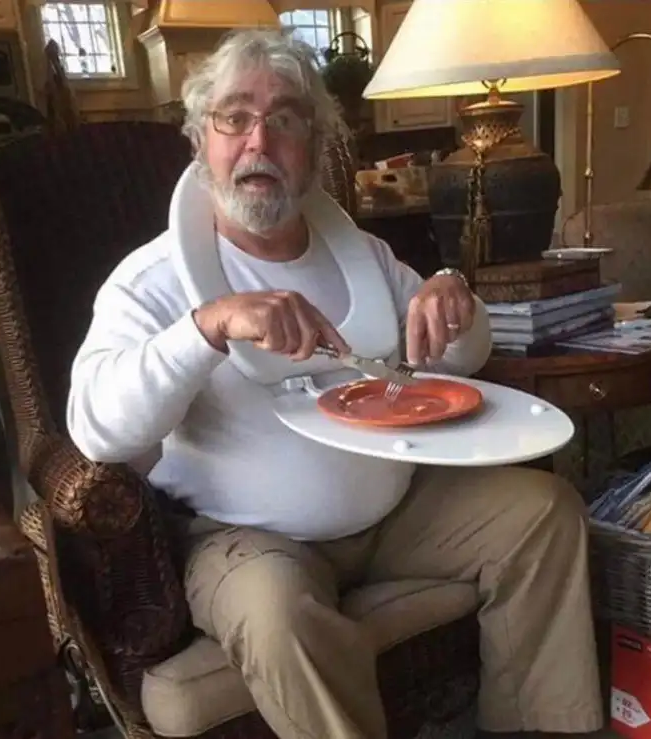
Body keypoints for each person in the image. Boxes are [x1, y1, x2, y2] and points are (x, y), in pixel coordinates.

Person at [67, 28, 602, 739]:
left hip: (393, 510)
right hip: (246, 534)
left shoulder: (362, 254)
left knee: (545, 512)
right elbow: (95, 429)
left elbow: (459, 359)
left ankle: (536, 728)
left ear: (315, 147)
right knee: (277, 613)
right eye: (234, 117)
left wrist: (456, 301)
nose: (259, 140)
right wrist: (208, 328)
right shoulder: (152, 279)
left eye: (285, 119)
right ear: (199, 139)